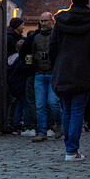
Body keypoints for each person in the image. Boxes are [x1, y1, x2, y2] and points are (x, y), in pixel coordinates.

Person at [49, 0, 90, 161]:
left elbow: (52, 47)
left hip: (63, 70)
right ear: (87, 0)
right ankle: (71, 149)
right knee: (76, 110)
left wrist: (56, 66)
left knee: (66, 110)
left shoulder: (61, 21)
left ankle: (69, 148)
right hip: (84, 71)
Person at [19, 11, 60, 142]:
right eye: (41, 21)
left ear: (51, 21)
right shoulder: (35, 37)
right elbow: (26, 53)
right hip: (39, 73)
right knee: (40, 105)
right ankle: (41, 131)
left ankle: (58, 124)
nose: (43, 23)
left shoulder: (57, 36)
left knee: (53, 103)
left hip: (52, 73)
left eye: (45, 21)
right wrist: (30, 64)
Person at [4, 18, 26, 131]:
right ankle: (13, 123)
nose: (24, 27)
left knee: (16, 101)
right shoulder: (10, 39)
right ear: (17, 26)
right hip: (14, 74)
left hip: (13, 74)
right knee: (15, 101)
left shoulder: (16, 38)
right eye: (22, 25)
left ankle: (13, 122)